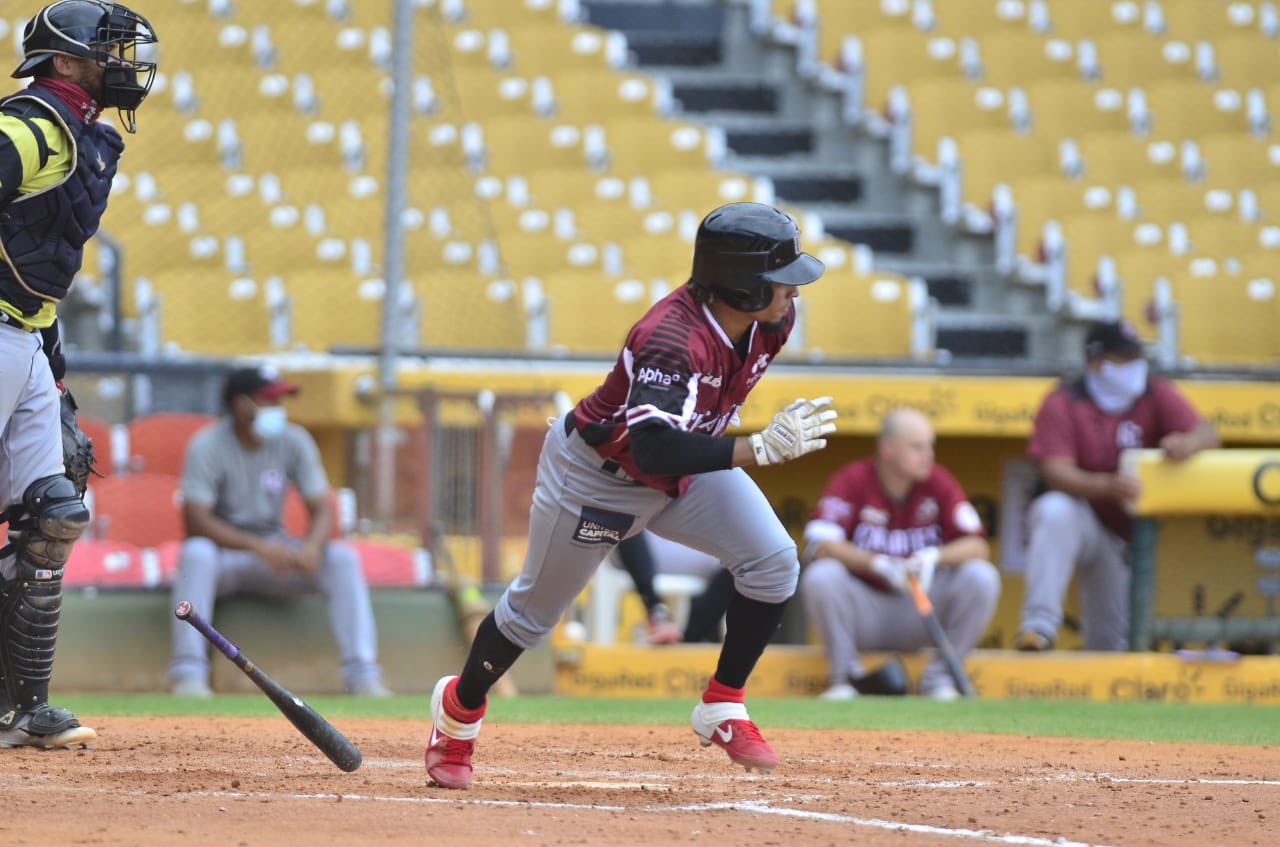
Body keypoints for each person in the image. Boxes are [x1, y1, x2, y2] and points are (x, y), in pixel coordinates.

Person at [424, 203, 837, 789]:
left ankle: (723, 704)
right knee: (531, 618)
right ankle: (458, 712)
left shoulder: (772, 323)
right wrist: (755, 450)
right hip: (599, 477)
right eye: (780, 282)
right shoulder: (671, 339)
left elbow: (683, 443)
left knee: (773, 563)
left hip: (684, 470)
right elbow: (652, 450)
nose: (792, 295)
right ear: (741, 285)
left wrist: (737, 448)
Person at [0, 1, 157, 750]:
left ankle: (20, 708)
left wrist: (52, 368)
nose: (122, 63)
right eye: (107, 50)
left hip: (24, 336)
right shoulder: (29, 125)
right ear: (63, 62)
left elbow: (38, 259)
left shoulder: (72, 129)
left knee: (54, 511)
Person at [168, 366, 390, 698]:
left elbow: (321, 508)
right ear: (241, 406)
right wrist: (257, 547)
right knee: (196, 552)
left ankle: (363, 676)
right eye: (268, 401)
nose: (278, 409)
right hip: (227, 557)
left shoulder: (294, 440)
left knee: (341, 559)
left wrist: (312, 547)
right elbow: (195, 521)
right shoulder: (207, 444)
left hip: (276, 552)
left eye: (279, 401)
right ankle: (189, 674)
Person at [1016, 321, 1218, 652]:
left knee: (1109, 646)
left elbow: (1208, 433)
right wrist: (1108, 485)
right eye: (1124, 357)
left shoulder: (1155, 392)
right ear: (1096, 361)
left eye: (1137, 356)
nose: (1135, 365)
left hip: (1126, 534)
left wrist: (1188, 443)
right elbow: (1054, 471)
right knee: (1054, 510)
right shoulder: (1064, 399)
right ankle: (1038, 627)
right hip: (1083, 517)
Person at [800, 407, 1000, 700]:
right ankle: (844, 679)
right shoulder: (854, 479)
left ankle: (939, 680)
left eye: (930, 445)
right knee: (822, 576)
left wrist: (934, 557)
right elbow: (820, 544)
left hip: (921, 607)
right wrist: (877, 564)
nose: (927, 455)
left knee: (982, 576)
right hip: (867, 609)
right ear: (888, 449)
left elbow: (978, 546)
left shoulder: (938, 482)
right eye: (917, 447)